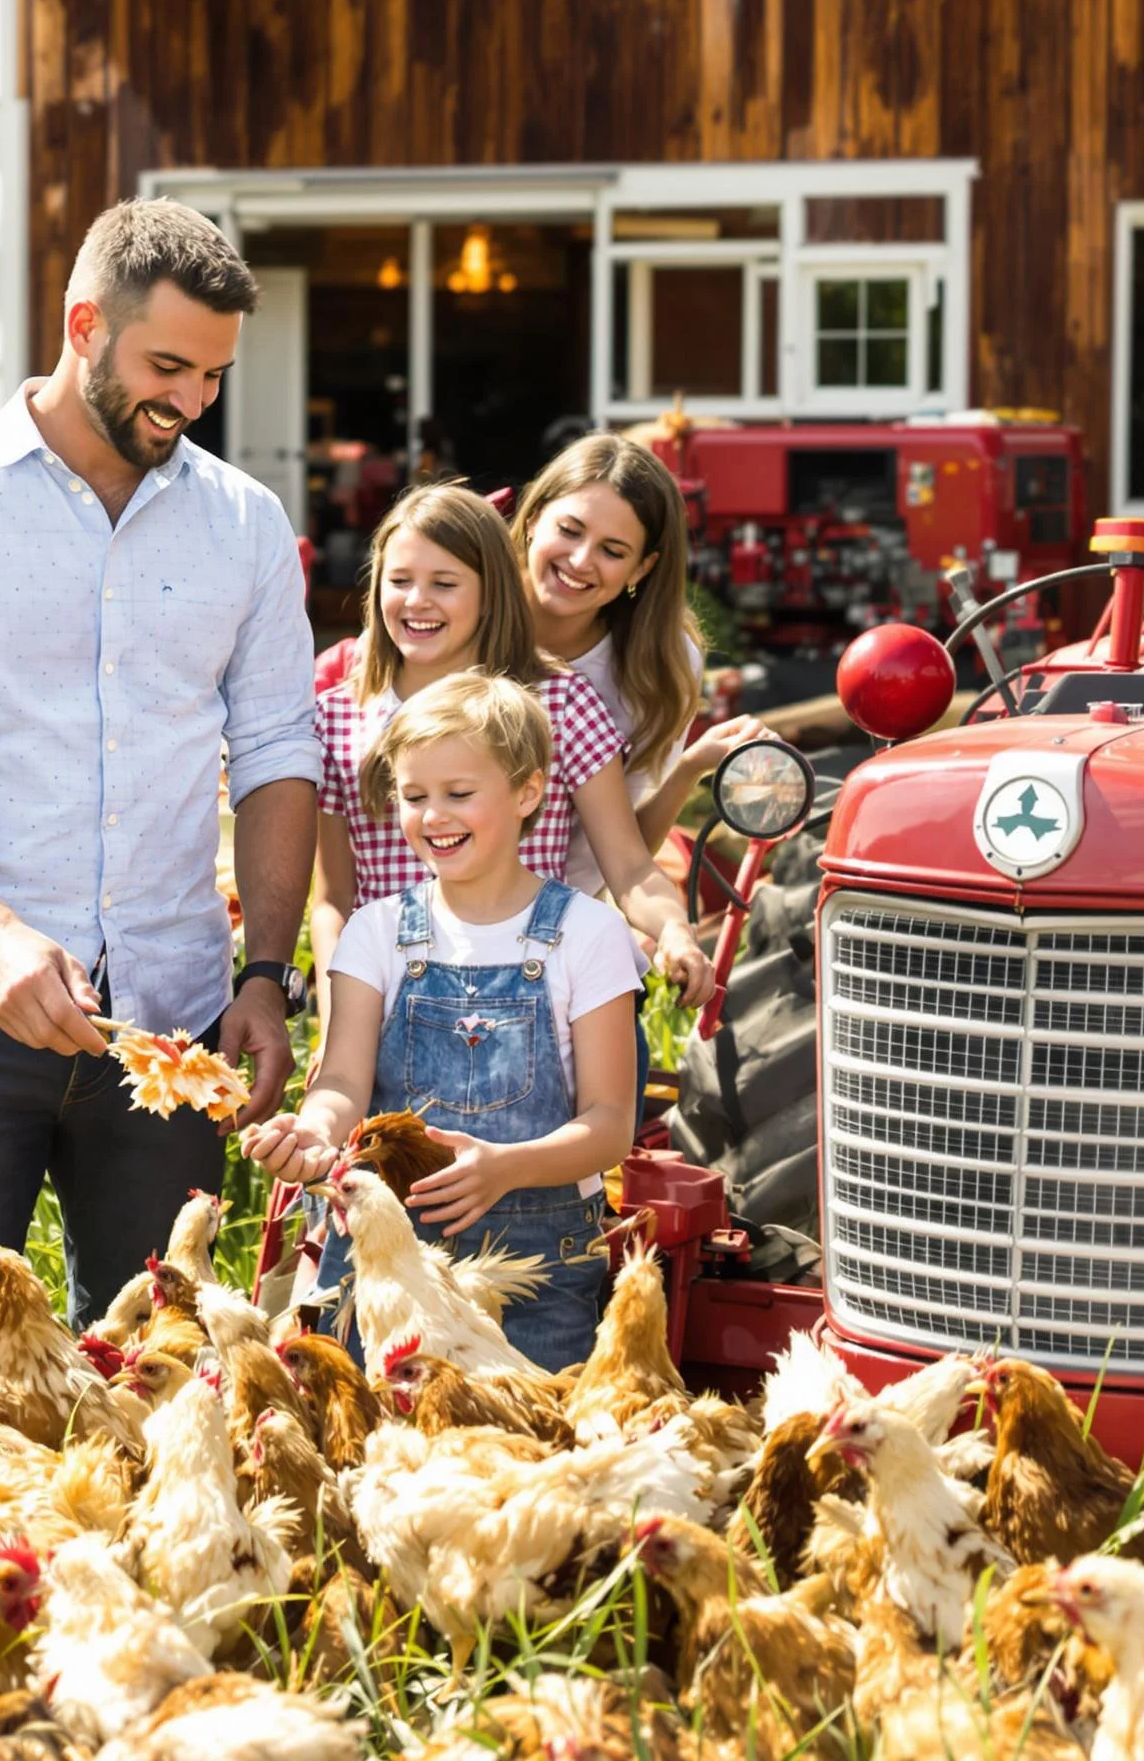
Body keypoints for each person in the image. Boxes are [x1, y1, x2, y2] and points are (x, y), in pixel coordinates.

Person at [0, 199, 320, 1339]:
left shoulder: (244, 524)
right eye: (166, 367)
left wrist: (265, 972)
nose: (191, 401)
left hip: (171, 1013)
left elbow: (276, 755)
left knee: (157, 1365)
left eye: (212, 375)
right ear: (83, 324)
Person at [246, 672, 640, 1369]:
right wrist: (312, 1132)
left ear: (528, 792)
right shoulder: (377, 932)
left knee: (520, 1432)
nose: (433, 816)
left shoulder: (588, 933)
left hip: (535, 1271)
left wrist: (508, 1168)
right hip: (383, 1265)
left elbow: (610, 1124)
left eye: (459, 794)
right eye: (413, 796)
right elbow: (342, 1081)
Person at [307, 482, 714, 1049]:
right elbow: (333, 901)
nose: (417, 601)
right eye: (399, 581)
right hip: (388, 1012)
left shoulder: (558, 704)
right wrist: (337, 1031)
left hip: (538, 1005)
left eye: (444, 584)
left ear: (490, 593)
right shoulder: (337, 718)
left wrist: (673, 930)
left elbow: (628, 866)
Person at [510, 432, 771, 885]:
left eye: (612, 551)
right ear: (534, 518)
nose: (580, 560)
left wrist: (689, 768)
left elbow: (623, 855)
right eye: (569, 530)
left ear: (642, 568)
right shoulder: (465, 608)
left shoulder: (660, 664)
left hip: (561, 906)